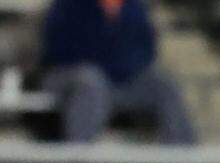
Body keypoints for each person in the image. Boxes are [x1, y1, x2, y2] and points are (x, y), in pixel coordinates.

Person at [39, 0, 196, 144]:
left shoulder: (134, 7)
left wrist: (121, 65)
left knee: (164, 84)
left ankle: (187, 162)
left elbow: (147, 49)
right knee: (91, 81)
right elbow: (60, 49)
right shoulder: (68, 5)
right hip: (70, 76)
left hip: (121, 79)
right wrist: (111, 61)